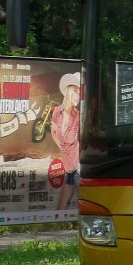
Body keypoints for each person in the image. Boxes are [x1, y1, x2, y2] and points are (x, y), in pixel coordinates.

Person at [54, 72, 82, 211]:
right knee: (60, 210)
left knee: (85, 204)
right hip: (69, 168)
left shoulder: (79, 116)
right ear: (68, 91)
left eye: (80, 92)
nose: (78, 95)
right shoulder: (56, 112)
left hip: (78, 167)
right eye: (75, 91)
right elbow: (54, 132)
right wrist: (62, 147)